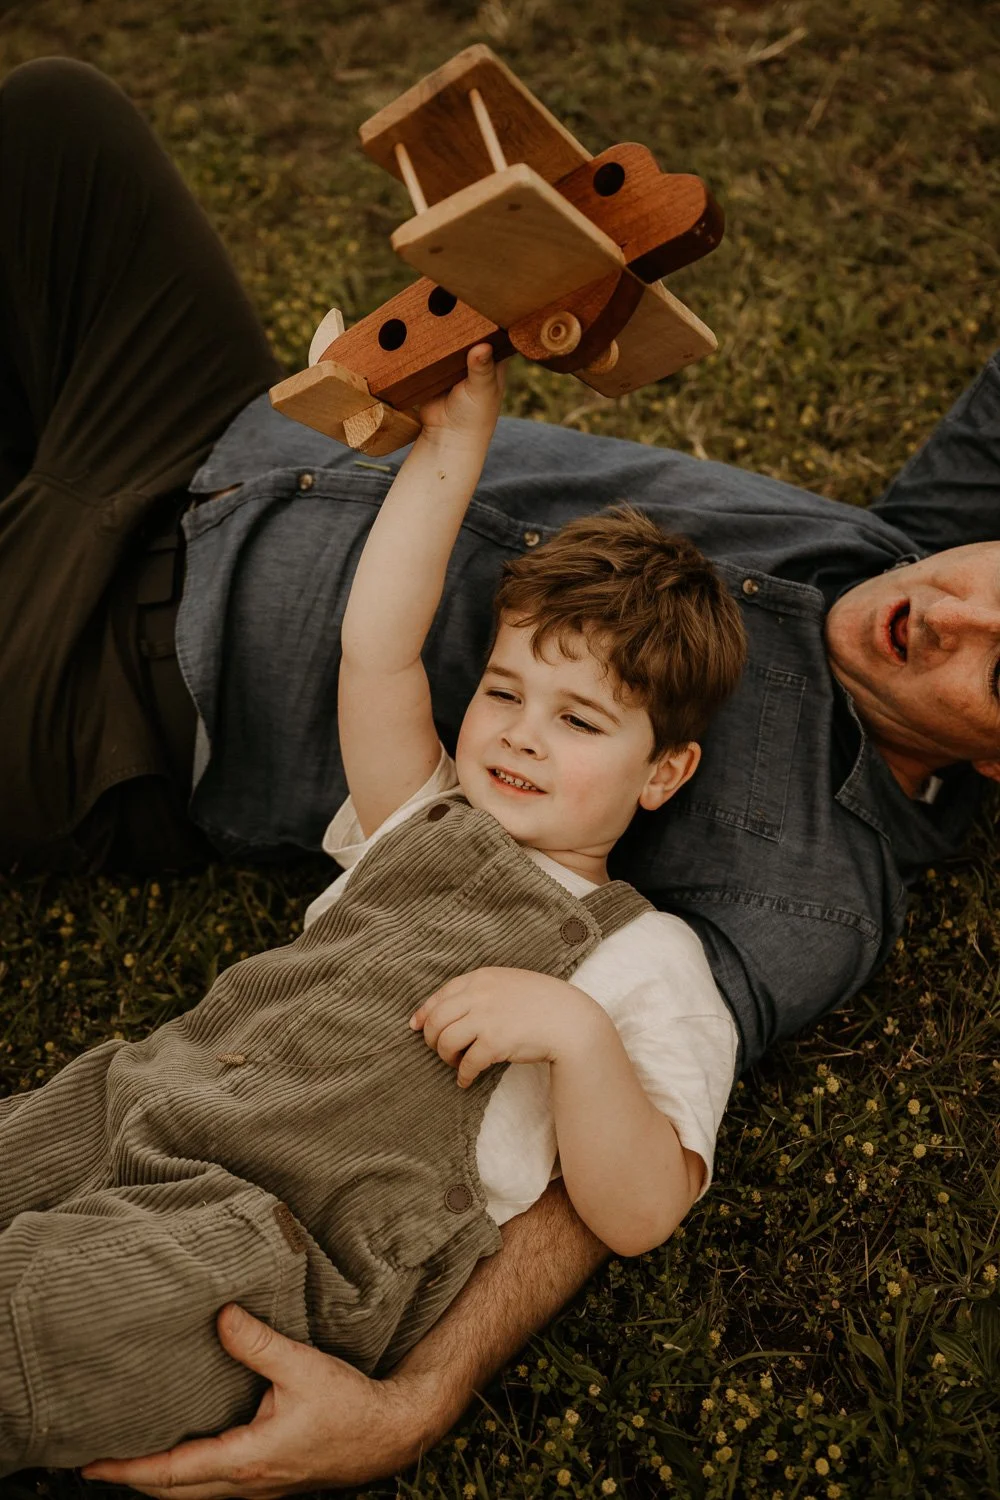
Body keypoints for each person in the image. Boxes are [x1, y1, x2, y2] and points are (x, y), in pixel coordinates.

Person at [2, 52, 998, 1499]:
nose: (953, 613)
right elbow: (386, 652)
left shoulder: (808, 890)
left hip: (108, 685)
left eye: (996, 671)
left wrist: (414, 1404)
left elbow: (630, 1168)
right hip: (212, 435)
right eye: (994, 579)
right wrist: (453, 427)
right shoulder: (903, 558)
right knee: (58, 128)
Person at [0, 342, 747, 1474]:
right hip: (133, 1097)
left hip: (269, 1245)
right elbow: (376, 647)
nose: (520, 732)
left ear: (664, 774)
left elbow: (641, 1210)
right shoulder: (419, 814)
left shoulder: (648, 960)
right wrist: (454, 444)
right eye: (503, 691)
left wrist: (578, 1041)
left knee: (35, 1333)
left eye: (580, 721)